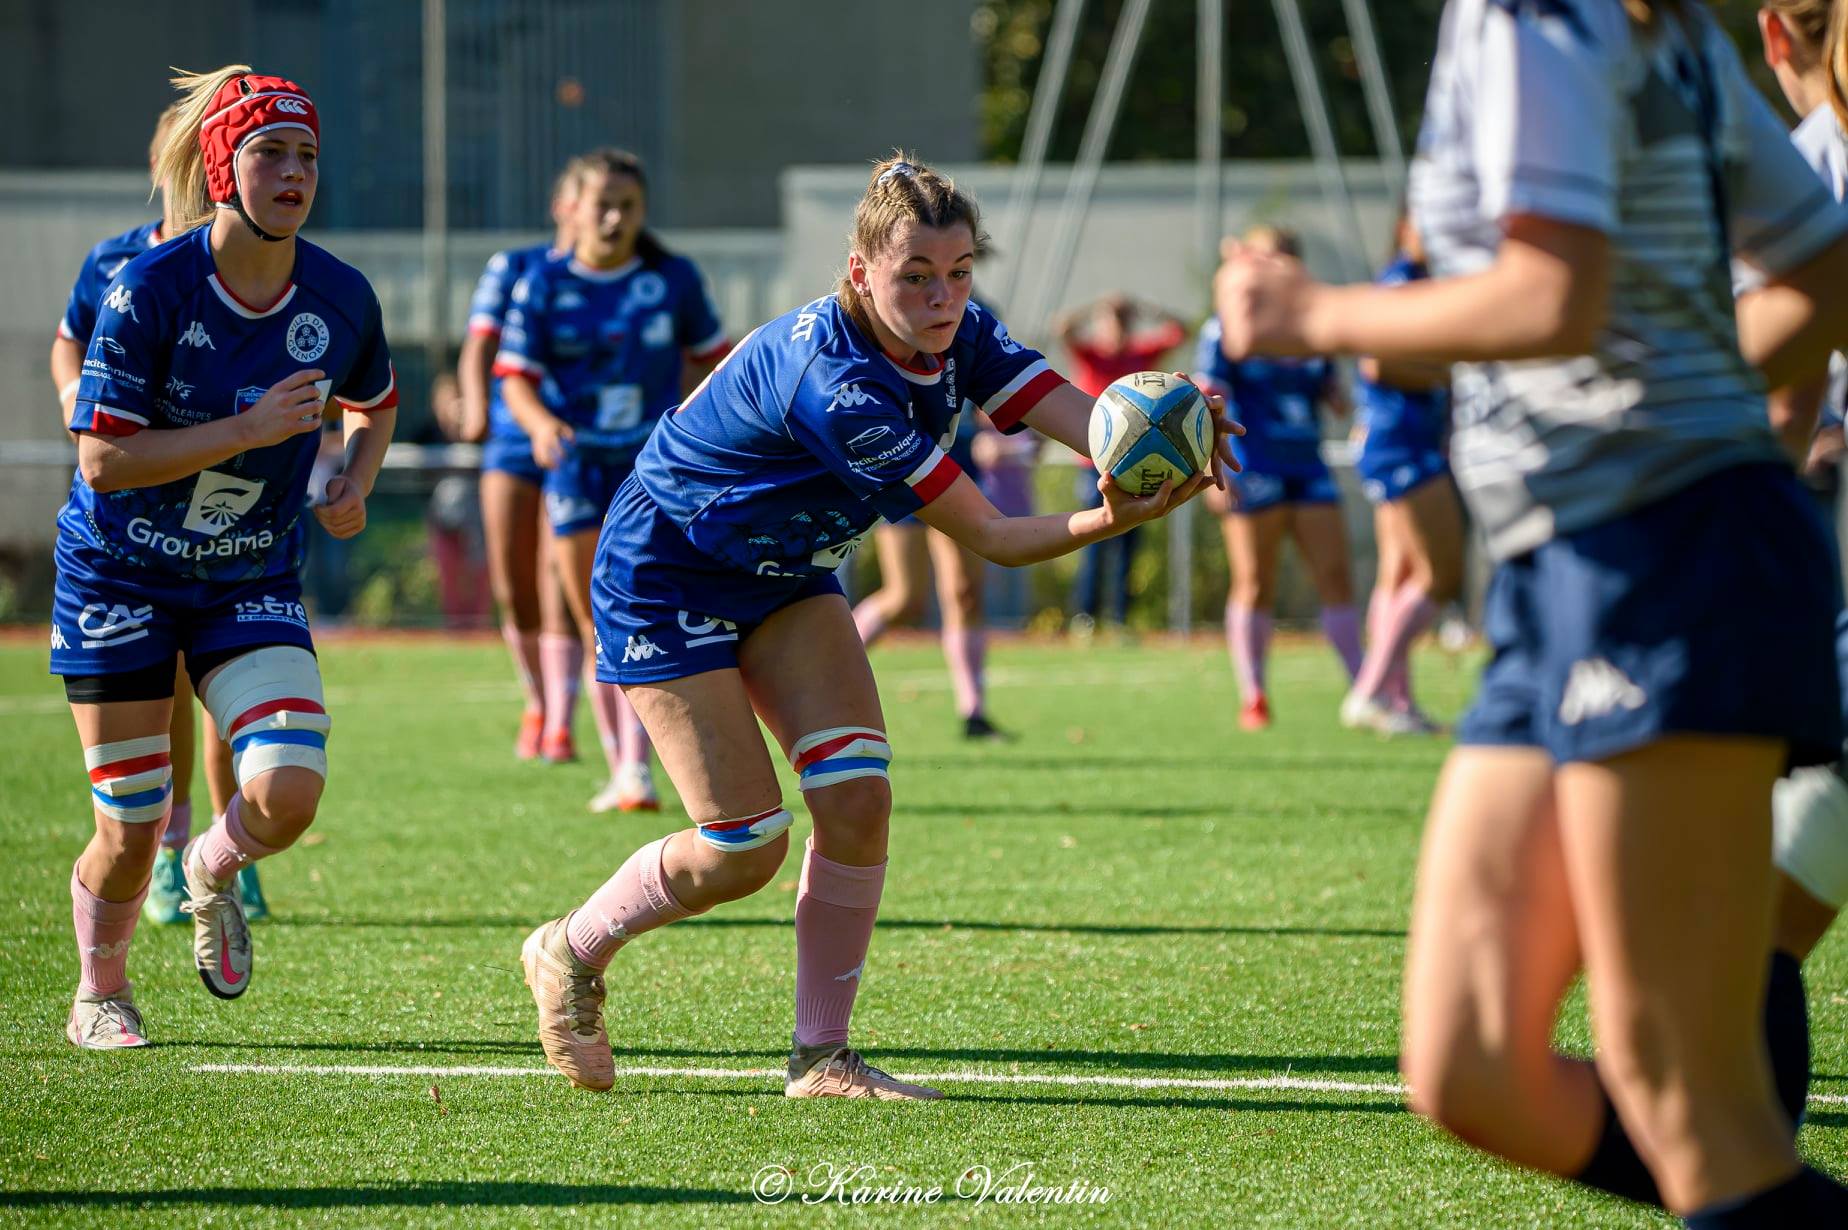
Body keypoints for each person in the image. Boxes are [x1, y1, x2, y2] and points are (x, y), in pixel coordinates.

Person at [1216, 1, 1848, 1222]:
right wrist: (1695, 377)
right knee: (1474, 1067)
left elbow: (1551, 296)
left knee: (1689, 1100)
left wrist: (1314, 318)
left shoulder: (1546, 11)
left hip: (1664, 555)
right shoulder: (1633, 25)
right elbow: (1821, 268)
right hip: (1561, 570)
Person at [518, 153, 1237, 1098]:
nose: (944, 298)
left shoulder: (959, 332)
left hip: (785, 576)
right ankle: (570, 950)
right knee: (743, 845)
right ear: (860, 272)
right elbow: (993, 535)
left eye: (960, 272)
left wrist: (1165, 416)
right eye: (916, 277)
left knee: (858, 800)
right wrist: (1115, 516)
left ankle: (822, 1058)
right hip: (665, 575)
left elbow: (1093, 418)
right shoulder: (838, 386)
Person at [52, 65, 396, 1047]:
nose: (294, 173)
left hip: (248, 575)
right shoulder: (146, 290)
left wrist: (354, 482)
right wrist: (248, 430)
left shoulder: (340, 295)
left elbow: (377, 403)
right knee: (124, 828)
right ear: (220, 168)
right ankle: (101, 992)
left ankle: (208, 866)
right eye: (269, 153)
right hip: (120, 575)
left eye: (307, 156)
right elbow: (103, 458)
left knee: (288, 792)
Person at [48, 102, 261, 927]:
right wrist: (77, 396)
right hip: (130, 534)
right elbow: (70, 339)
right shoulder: (120, 265)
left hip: (233, 522)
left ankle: (225, 846)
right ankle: (172, 852)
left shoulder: (259, 269)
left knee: (236, 687)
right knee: (168, 687)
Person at [496, 147, 730, 813]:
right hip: (575, 465)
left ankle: (639, 768)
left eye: (626, 205)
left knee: (647, 610)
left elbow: (718, 360)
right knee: (593, 619)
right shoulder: (542, 283)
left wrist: (696, 425)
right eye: (602, 203)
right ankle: (625, 763)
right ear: (576, 208)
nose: (613, 217)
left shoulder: (672, 279)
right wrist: (540, 425)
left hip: (653, 467)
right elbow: (514, 377)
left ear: (642, 212)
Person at [1196, 226, 1363, 732]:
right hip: (1253, 465)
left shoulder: (1312, 325)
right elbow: (1207, 397)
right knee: (1255, 581)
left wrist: (1344, 401)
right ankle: (1254, 695)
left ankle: (1365, 688)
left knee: (1336, 577)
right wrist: (1211, 464)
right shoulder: (1225, 325)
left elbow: (1330, 390)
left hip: (1308, 463)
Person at [456, 167, 583, 762]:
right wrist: (477, 406)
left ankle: (561, 719)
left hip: (579, 442)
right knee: (513, 580)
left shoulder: (628, 279)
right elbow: (480, 341)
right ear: (561, 205)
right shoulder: (515, 266)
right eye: (586, 200)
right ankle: (537, 698)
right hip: (512, 437)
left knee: (560, 577)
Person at [1340, 216, 1464, 737]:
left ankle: (1397, 701)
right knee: (1441, 576)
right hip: (1400, 442)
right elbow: (1376, 365)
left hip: (1402, 440)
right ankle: (1368, 691)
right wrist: (1453, 369)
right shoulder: (1401, 283)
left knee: (1399, 578)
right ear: (1406, 226)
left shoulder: (1429, 283)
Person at [1055, 295, 1187, 630]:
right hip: (1094, 466)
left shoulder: (1141, 355)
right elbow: (1063, 328)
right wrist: (1096, 306)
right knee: (1093, 540)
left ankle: (1120, 617)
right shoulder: (1092, 355)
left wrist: (1146, 308)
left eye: (1122, 321)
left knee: (1129, 543)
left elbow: (1181, 330)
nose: (1116, 327)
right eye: (1111, 321)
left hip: (1136, 466)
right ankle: (1085, 617)